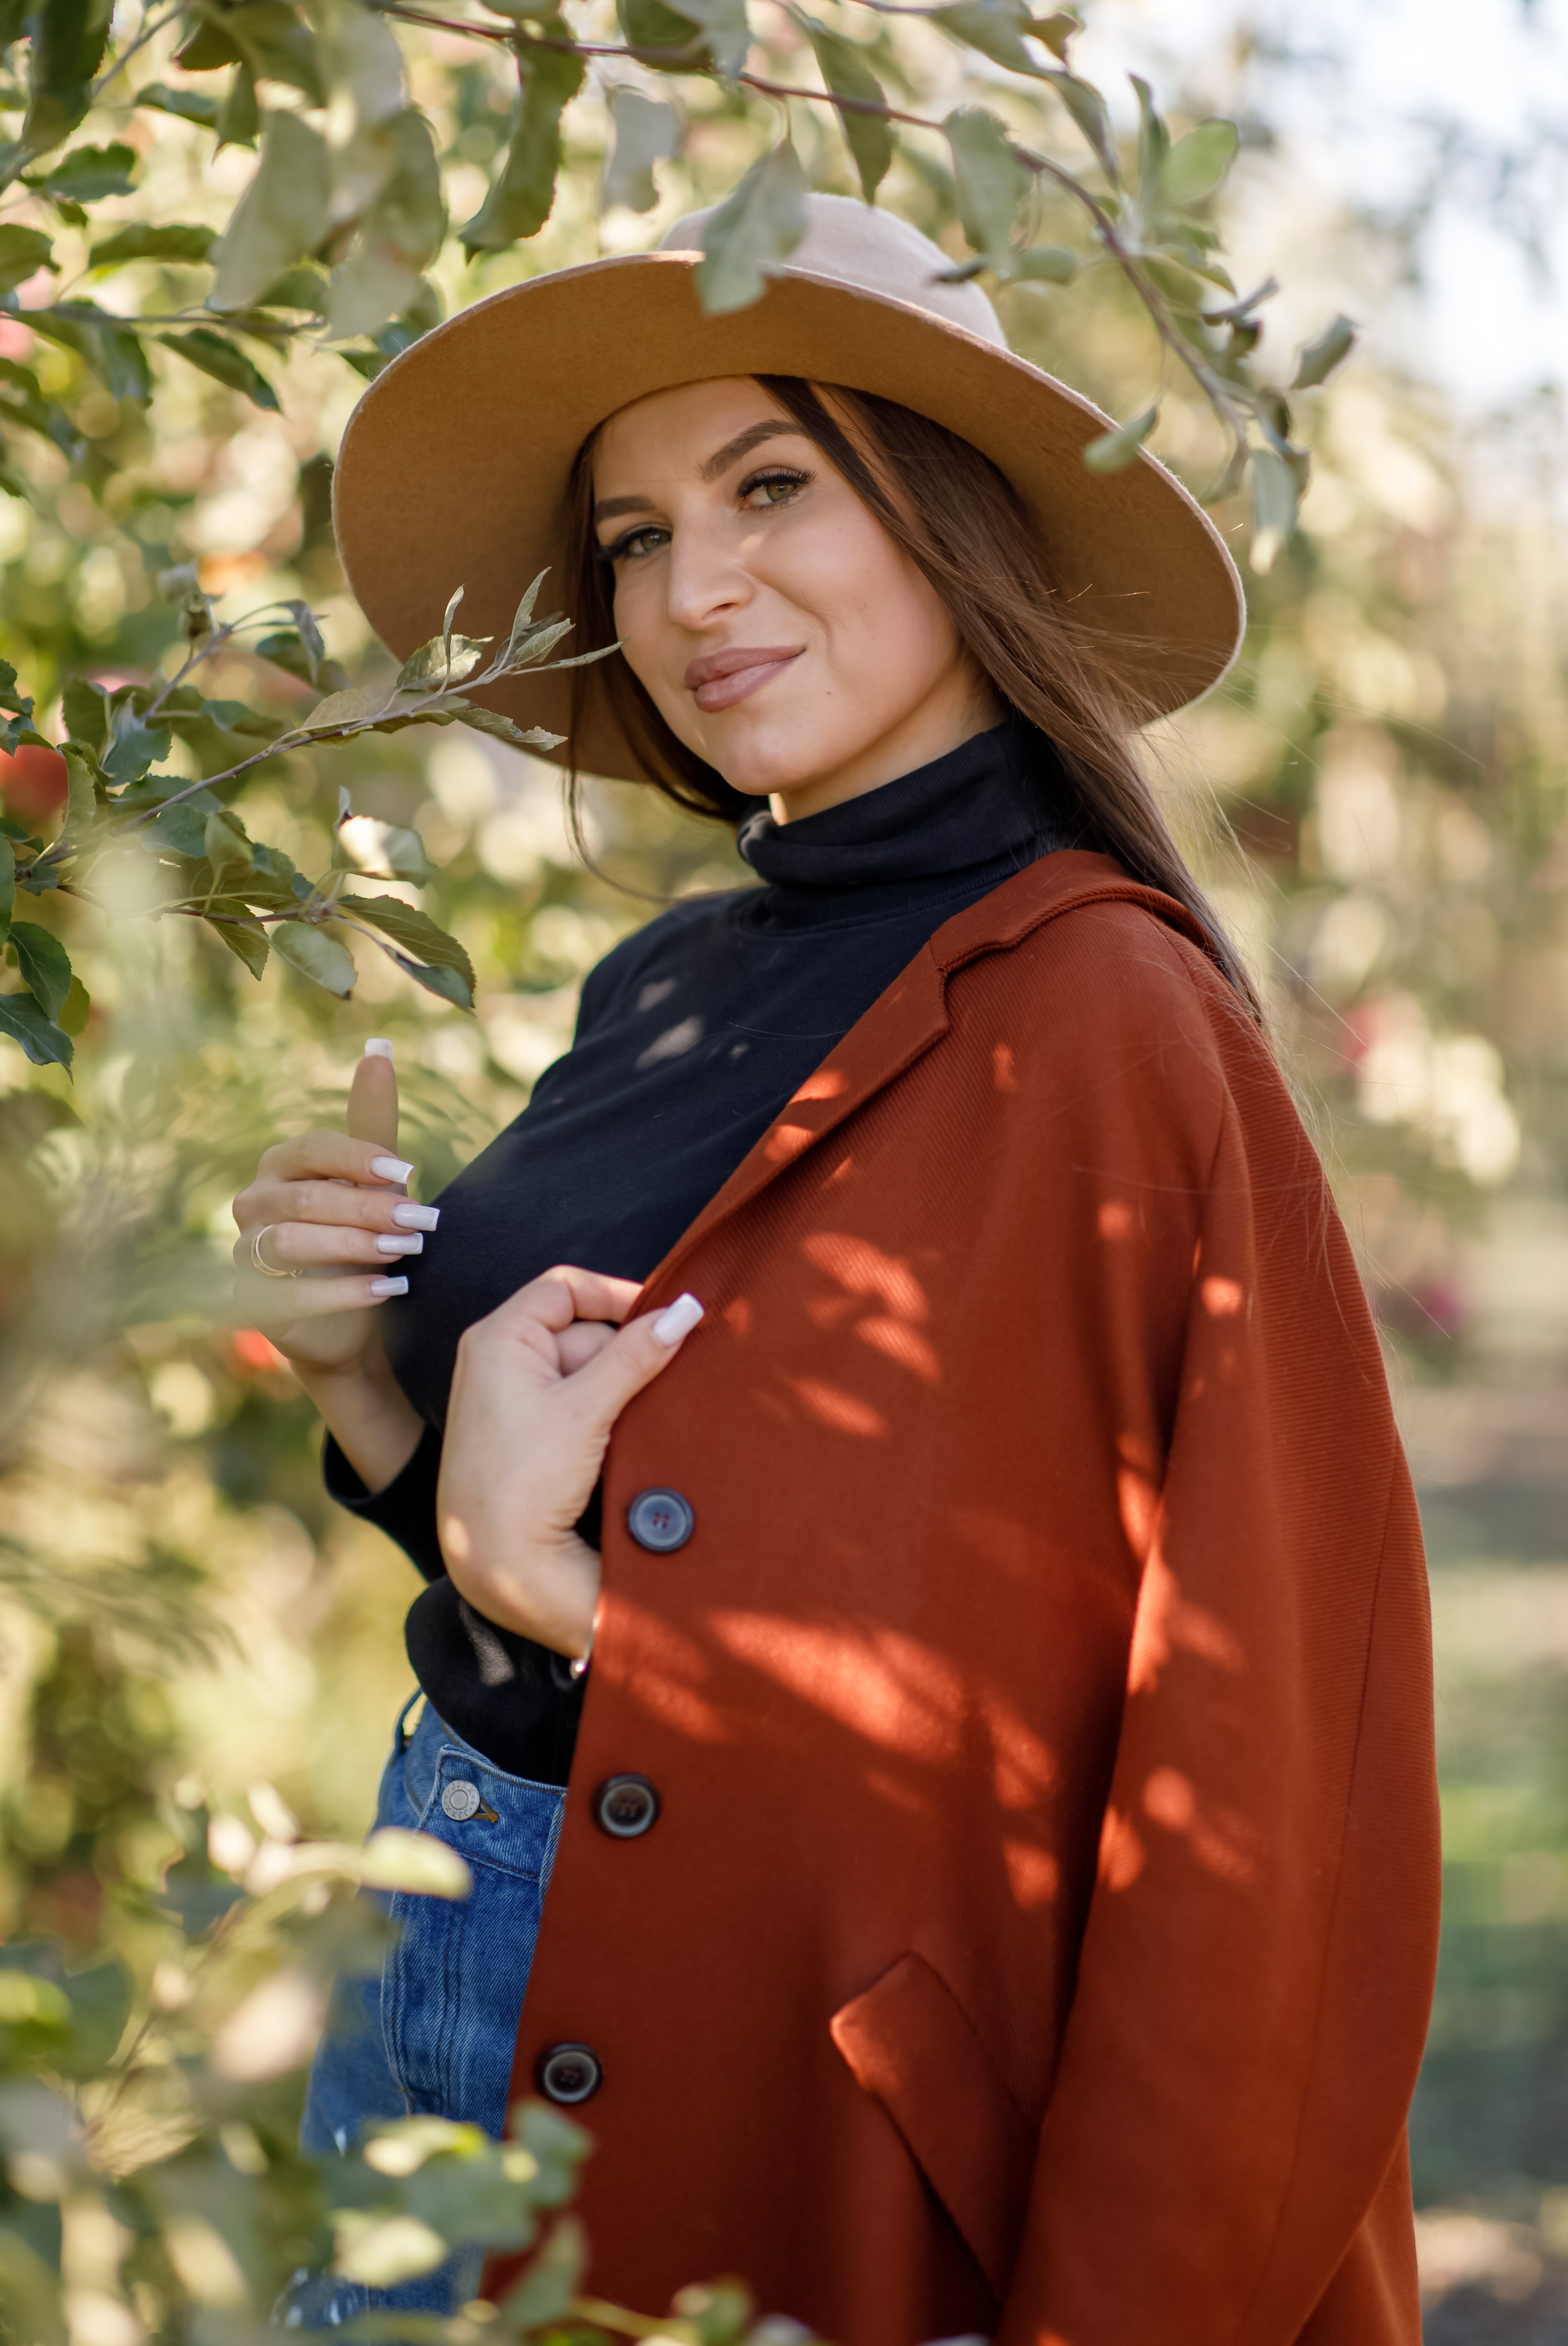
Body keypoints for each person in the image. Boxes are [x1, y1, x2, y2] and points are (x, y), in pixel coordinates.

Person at [234, 197, 1439, 2346]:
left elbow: (1250, 1775)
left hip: (774, 2072)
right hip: (435, 1931)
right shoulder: (665, 984)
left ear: (950, 517)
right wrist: (362, 1385)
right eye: (628, 537)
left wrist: (566, 1604)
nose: (693, 591)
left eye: (770, 486)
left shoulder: (1112, 1026)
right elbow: (586, 1511)